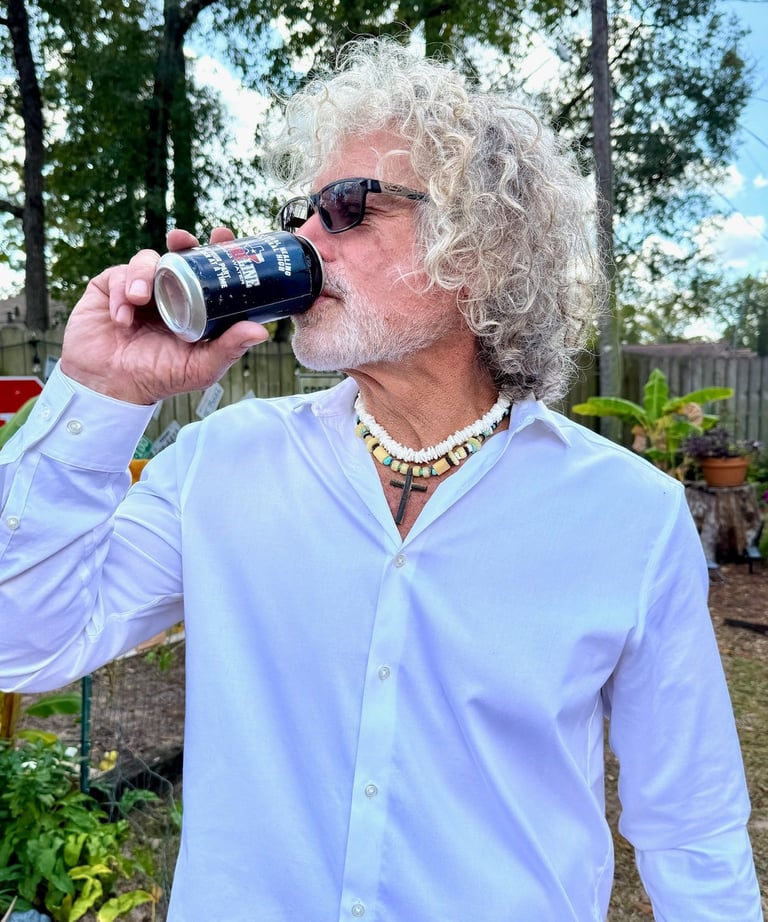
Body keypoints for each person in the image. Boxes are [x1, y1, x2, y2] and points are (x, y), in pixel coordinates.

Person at [0, 38, 762, 922]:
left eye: (347, 209)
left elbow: (692, 828)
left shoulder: (630, 516)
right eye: (301, 212)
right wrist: (101, 392)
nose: (301, 239)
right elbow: (23, 642)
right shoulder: (221, 465)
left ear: (480, 250)